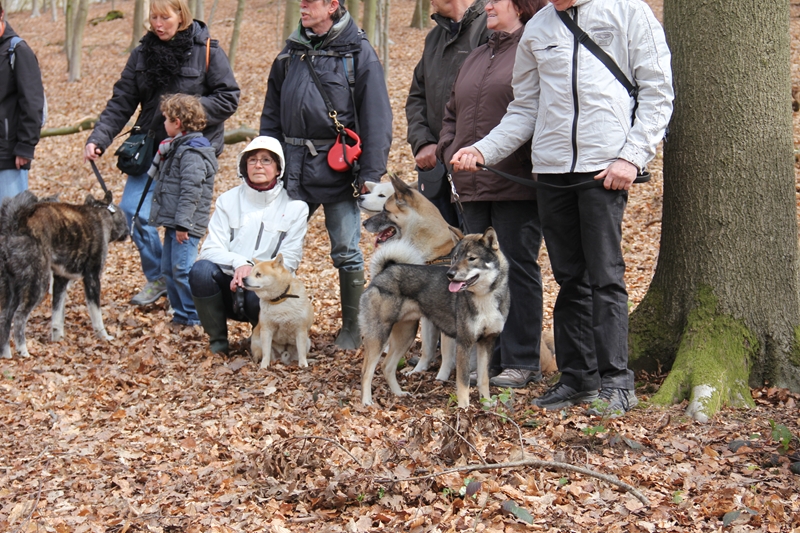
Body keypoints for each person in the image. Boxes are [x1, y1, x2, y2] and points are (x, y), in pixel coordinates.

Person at [451, 0, 673, 416]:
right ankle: (577, 379)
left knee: (605, 277)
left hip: (604, 169)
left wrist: (632, 156)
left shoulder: (628, 12)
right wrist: (484, 149)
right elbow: (525, 109)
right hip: (551, 171)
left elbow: (658, 91)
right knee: (569, 278)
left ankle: (617, 382)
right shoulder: (539, 29)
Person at [84, 0, 239, 308]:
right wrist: (99, 137)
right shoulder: (142, 53)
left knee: (177, 222)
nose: (158, 23)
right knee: (132, 212)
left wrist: (187, 112)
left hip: (192, 153)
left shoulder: (207, 48)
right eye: (153, 17)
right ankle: (158, 277)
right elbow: (122, 101)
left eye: (164, 17)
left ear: (180, 16)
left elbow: (228, 97)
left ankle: (184, 292)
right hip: (150, 148)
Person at [259, 0, 392, 350]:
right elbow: (271, 112)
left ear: (332, 5)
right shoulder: (291, 52)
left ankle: (351, 328)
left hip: (337, 168)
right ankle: (276, 326)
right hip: (292, 167)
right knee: (276, 246)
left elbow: (377, 116)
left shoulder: (358, 53)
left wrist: (372, 172)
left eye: (311, 1)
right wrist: (268, 158)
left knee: (346, 250)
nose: (302, 5)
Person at [437, 0, 547, 388]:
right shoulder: (478, 54)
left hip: (514, 182)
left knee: (515, 269)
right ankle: (487, 358)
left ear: (521, 6)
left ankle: (520, 360)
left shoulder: (531, 49)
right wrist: (449, 149)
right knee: (473, 276)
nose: (486, 5)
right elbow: (452, 111)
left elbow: (536, 112)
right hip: (469, 185)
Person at [189, 136, 309, 355]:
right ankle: (218, 343)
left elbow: (290, 259)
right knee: (200, 271)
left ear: (278, 167)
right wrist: (240, 264)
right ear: (244, 166)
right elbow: (209, 249)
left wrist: (255, 274)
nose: (258, 165)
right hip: (228, 282)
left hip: (266, 289)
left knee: (266, 284)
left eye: (266, 160)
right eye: (252, 160)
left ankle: (262, 334)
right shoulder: (227, 200)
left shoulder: (296, 207)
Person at [406, 0, 491, 226]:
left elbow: (494, 103)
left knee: (478, 255)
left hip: (478, 172)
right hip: (436, 172)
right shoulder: (434, 38)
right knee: (441, 256)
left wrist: (459, 149)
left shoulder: (493, 28)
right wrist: (423, 142)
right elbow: (417, 96)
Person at [147, 94, 217, 326]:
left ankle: (195, 316)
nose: (163, 124)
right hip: (175, 222)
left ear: (177, 123)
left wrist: (183, 224)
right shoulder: (176, 148)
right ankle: (180, 315)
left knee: (182, 270)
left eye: (166, 119)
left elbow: (191, 190)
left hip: (185, 225)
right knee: (168, 269)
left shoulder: (192, 152)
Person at [0, 0, 45, 201]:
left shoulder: (17, 50)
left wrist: (26, 146)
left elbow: (33, 102)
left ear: (1, 14)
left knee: (10, 225)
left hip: (10, 155)